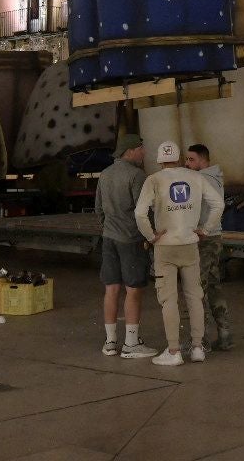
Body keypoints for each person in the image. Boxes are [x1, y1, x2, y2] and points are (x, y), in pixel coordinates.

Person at [134, 141, 222, 367]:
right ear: (179, 157)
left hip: (165, 246)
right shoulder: (196, 177)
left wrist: (150, 235)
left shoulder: (153, 180)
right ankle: (197, 348)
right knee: (195, 297)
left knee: (169, 300)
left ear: (159, 159)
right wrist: (205, 229)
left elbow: (140, 213)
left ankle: (173, 350)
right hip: (190, 244)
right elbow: (218, 204)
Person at [94, 133, 157, 359]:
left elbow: (98, 209)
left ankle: (110, 342)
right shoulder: (137, 175)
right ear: (129, 151)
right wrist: (150, 236)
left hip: (109, 238)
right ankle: (131, 343)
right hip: (131, 240)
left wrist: (108, 228)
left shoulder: (105, 174)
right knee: (133, 290)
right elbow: (143, 211)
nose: (143, 152)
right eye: (141, 148)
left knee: (111, 288)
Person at [184, 143, 233, 351]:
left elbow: (212, 207)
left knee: (198, 288)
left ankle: (200, 340)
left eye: (191, 159)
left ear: (203, 160)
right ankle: (224, 333)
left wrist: (203, 229)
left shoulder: (202, 179)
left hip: (205, 239)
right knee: (213, 285)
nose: (187, 163)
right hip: (214, 237)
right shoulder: (215, 177)